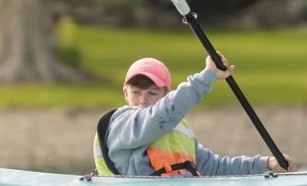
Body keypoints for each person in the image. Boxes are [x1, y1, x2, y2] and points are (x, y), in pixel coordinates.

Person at [92, 54, 296, 177]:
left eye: (152, 93)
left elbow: (214, 167)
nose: (143, 100)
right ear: (125, 94)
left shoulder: (179, 129)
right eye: (136, 92)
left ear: (166, 95)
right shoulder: (122, 123)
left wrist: (267, 163)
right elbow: (157, 118)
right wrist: (206, 77)